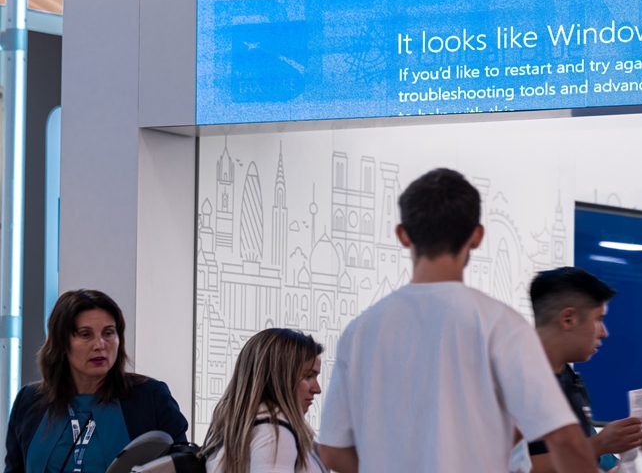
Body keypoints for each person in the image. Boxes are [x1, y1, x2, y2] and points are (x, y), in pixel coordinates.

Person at [318, 168, 596, 473]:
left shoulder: (361, 331)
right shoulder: (502, 326)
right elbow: (566, 442)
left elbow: (332, 451)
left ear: (402, 234)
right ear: (477, 236)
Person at [4, 289, 188, 473]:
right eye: (85, 335)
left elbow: (183, 466)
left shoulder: (151, 397)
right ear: (61, 344)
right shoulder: (29, 401)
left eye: (108, 333)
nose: (100, 345)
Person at [527, 267, 642, 472]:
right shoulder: (514, 382)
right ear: (568, 319)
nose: (604, 333)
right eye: (598, 319)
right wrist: (598, 445)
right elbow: (507, 465)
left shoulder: (572, 382)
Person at [202, 329, 326, 473]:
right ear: (279, 377)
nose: (317, 389)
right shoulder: (275, 433)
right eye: (308, 377)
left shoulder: (235, 427)